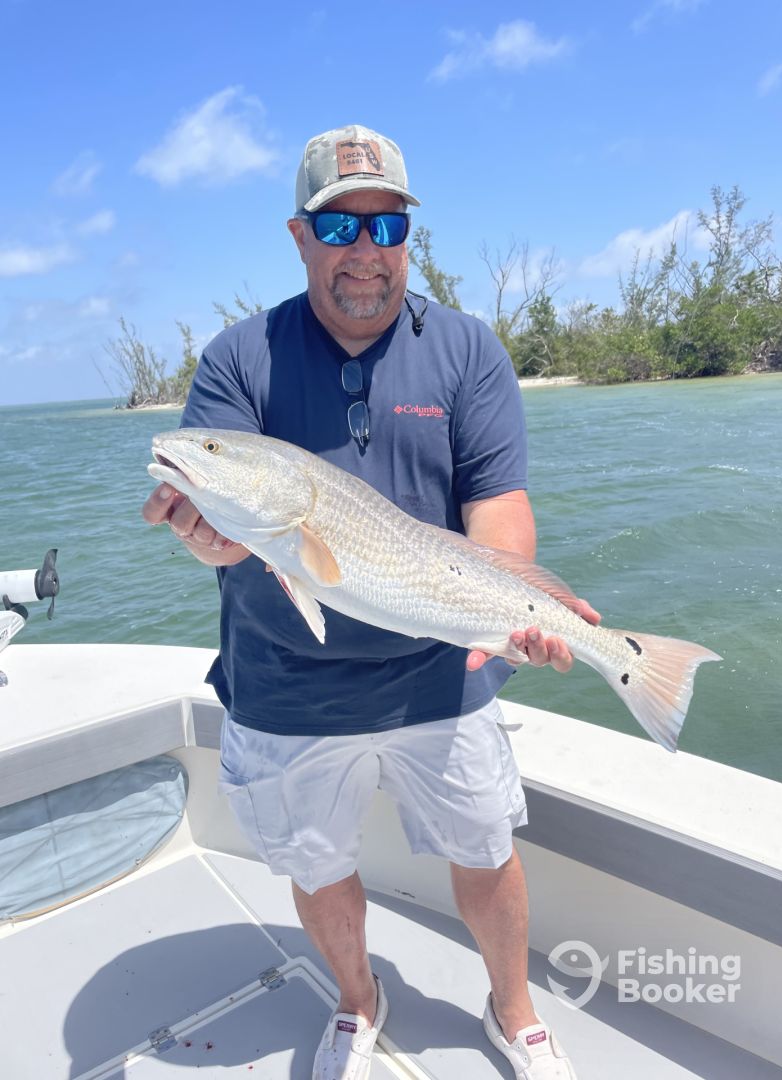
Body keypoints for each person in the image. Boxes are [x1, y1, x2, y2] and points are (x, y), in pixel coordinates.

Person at [143, 124, 597, 1080]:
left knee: (485, 851)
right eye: (338, 226)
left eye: (386, 226)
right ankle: (359, 1002)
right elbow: (228, 525)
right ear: (298, 235)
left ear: (408, 239)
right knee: (316, 867)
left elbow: (499, 507)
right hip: (285, 686)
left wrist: (516, 610)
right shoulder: (239, 358)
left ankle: (515, 1011)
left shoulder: (467, 349)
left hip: (444, 672)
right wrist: (206, 534)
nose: (364, 250)